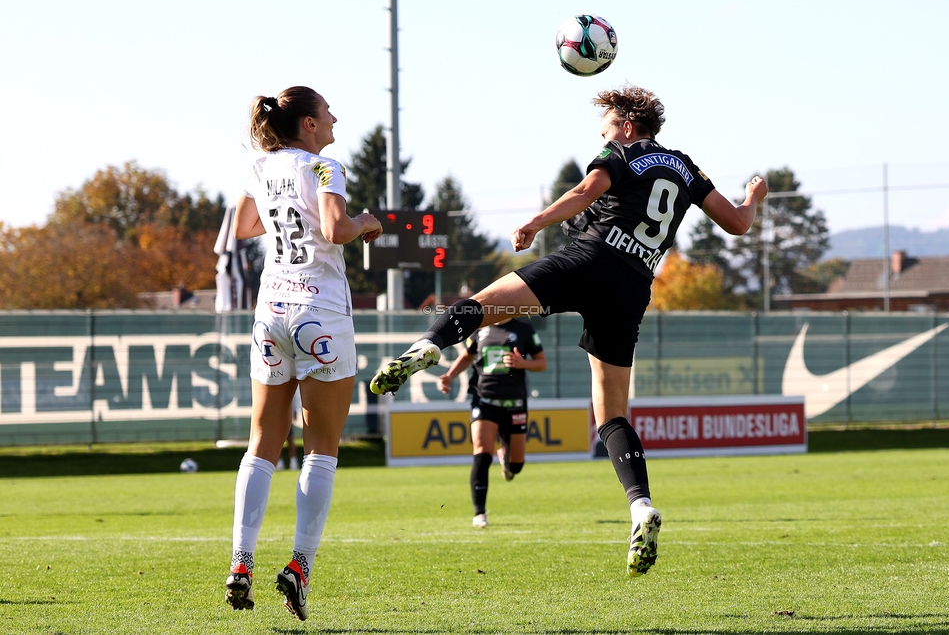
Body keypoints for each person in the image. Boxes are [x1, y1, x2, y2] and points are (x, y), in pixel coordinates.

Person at [371, 84, 767, 576]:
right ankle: (641, 506)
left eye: (605, 126)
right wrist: (753, 195)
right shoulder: (685, 166)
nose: (602, 133)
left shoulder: (623, 153)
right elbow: (737, 223)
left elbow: (586, 193)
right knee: (611, 414)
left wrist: (535, 223)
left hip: (589, 259)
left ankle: (427, 346)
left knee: (481, 305)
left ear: (624, 125)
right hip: (632, 287)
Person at [225, 85, 382, 620]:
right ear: (309, 125)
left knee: (262, 443)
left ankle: (241, 562)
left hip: (271, 310)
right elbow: (337, 229)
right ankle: (298, 568)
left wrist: (284, 211)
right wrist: (366, 223)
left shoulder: (260, 167)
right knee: (322, 449)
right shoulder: (324, 168)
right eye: (328, 111)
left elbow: (242, 228)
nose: (335, 117)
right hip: (321, 312)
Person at [437, 318, 547, 528]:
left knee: (517, 465)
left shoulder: (524, 329)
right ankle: (480, 513)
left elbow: (542, 362)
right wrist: (450, 376)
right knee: (481, 452)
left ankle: (506, 459)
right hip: (484, 399)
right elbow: (467, 356)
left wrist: (523, 363)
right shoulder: (480, 329)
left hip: (514, 402)